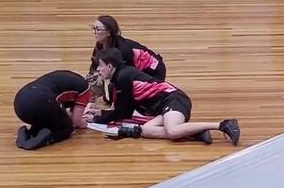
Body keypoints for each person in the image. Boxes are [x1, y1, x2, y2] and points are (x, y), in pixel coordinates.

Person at [89, 48, 240, 145]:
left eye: (100, 65)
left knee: (173, 131)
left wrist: (97, 119)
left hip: (174, 99)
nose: (98, 69)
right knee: (146, 130)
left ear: (109, 66)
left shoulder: (123, 77)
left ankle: (223, 125)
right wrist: (101, 113)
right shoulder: (120, 76)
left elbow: (123, 112)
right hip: (164, 107)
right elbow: (123, 108)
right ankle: (195, 133)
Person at [14, 70, 90, 150]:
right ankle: (45, 140)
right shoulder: (85, 89)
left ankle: (28, 133)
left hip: (20, 102)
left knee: (48, 119)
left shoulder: (69, 79)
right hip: (41, 102)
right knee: (67, 128)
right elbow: (76, 121)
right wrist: (84, 124)